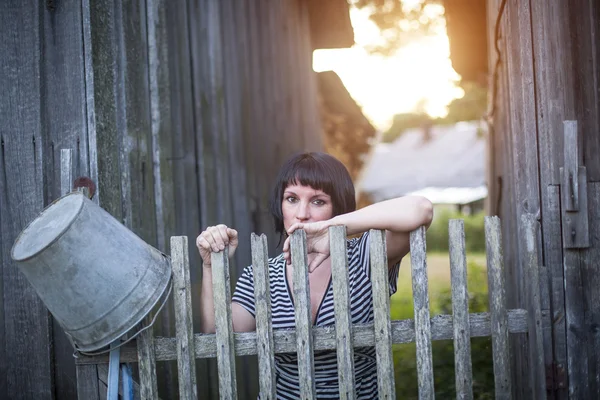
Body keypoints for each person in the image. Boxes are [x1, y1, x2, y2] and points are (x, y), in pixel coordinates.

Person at [196, 151, 433, 399]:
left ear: (337, 208)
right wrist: (211, 266)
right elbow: (217, 334)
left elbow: (421, 209)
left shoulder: (365, 257)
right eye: (291, 199)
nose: (302, 213)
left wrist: (333, 228)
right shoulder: (261, 275)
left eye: (318, 201)